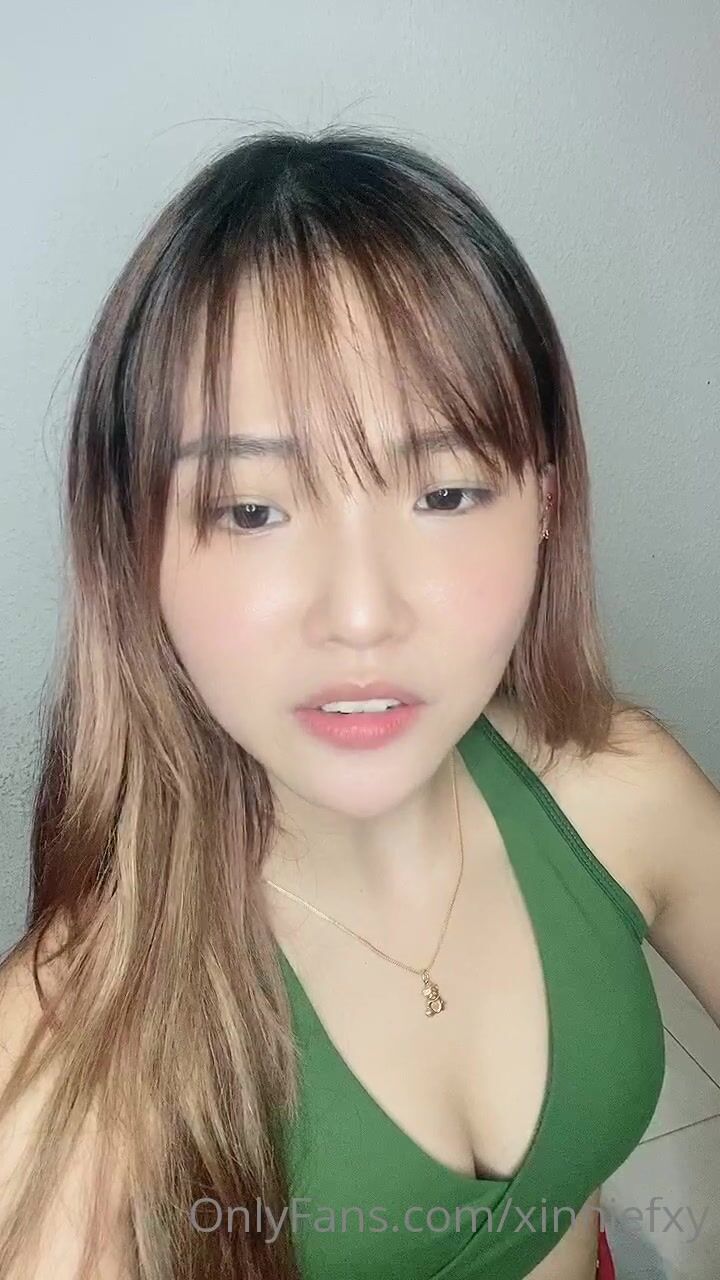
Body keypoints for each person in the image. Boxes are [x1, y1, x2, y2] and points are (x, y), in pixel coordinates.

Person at [1, 128, 718, 1280]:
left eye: (445, 492)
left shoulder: (621, 790)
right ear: (131, 547)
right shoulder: (68, 1063)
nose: (362, 614)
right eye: (252, 510)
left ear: (544, 501)